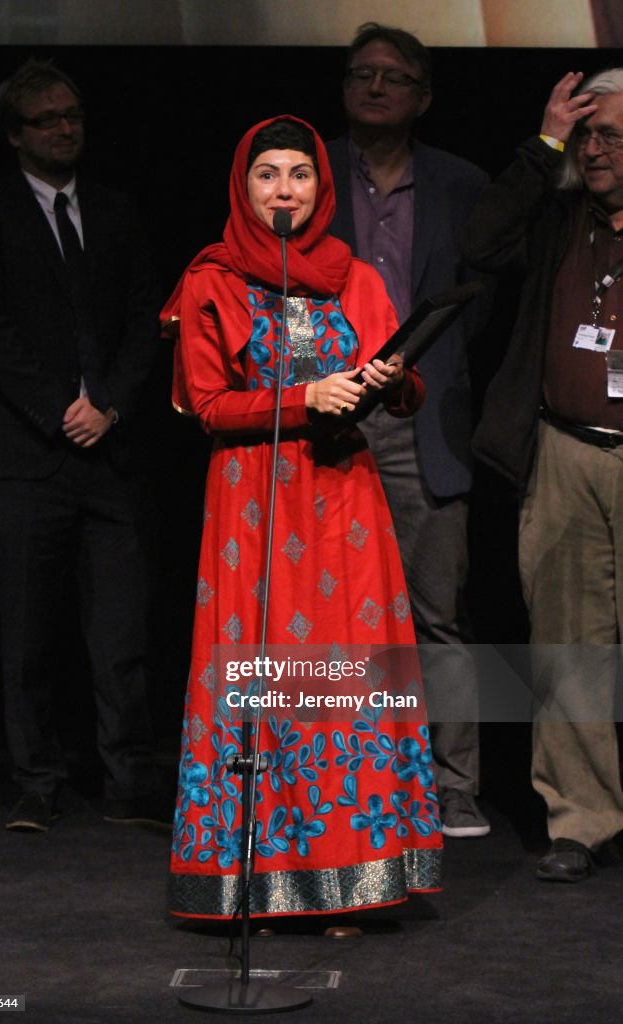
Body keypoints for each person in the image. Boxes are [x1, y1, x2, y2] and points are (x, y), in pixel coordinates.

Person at [162, 115, 442, 927]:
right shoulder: (212, 278)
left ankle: (350, 872)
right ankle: (256, 877)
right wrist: (302, 396)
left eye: (299, 176)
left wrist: (390, 378)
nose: (283, 191)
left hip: (344, 501)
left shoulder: (353, 276)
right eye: (267, 176)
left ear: (322, 188)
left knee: (346, 682)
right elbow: (209, 405)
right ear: (242, 188)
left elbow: (404, 388)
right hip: (254, 502)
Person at [0, 59, 164, 832]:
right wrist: (59, 409)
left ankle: (129, 779)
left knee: (121, 635)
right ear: (16, 135)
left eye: (71, 114)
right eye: (46, 119)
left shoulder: (115, 211)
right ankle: (37, 776)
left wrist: (107, 404)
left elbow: (147, 318)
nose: (64, 128)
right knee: (27, 632)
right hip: (20, 456)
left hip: (107, 453)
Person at [326, 23, 492, 838]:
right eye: (362, 73)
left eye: (394, 77)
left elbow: (480, 301)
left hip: (427, 424)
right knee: (335, 618)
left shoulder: (461, 184)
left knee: (439, 615)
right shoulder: (307, 174)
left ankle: (455, 784)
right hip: (334, 427)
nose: (376, 86)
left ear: (423, 97)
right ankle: (347, 774)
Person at [466, 69, 623, 881]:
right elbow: (478, 241)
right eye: (586, 136)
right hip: (564, 451)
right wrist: (545, 143)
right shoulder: (561, 219)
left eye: (609, 136)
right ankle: (580, 820)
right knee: (569, 646)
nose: (593, 150)